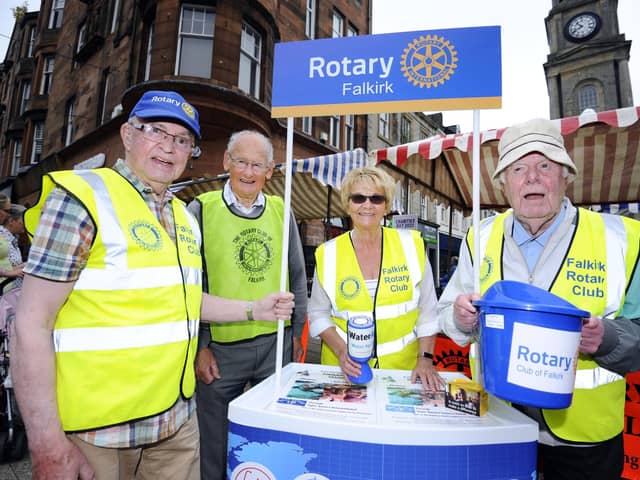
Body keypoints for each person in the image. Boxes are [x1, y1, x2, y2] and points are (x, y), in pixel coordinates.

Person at [10, 90, 294, 480]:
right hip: (98, 432)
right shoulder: (82, 197)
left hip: (175, 424)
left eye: (181, 140)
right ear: (127, 135)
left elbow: (186, 300)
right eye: (155, 131)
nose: (168, 147)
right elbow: (30, 323)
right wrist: (45, 442)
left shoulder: (182, 215)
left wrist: (254, 309)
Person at [438, 117, 640, 480]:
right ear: (503, 185)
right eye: (518, 168)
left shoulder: (623, 239)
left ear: (566, 176)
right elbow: (447, 314)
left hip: (583, 442)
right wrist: (458, 318)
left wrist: (606, 338)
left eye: (544, 166)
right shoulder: (479, 238)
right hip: (498, 425)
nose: (531, 178)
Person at [188, 129, 308, 480]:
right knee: (213, 443)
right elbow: (194, 285)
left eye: (258, 165)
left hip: (274, 345)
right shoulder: (201, 208)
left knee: (269, 438)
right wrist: (200, 346)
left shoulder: (280, 209)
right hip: (221, 351)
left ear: (270, 170)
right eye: (241, 162)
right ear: (227, 162)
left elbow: (296, 275)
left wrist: (297, 335)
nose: (249, 172)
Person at [308, 166, 444, 391]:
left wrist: (426, 359)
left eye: (376, 198)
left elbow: (428, 311)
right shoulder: (327, 253)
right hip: (344, 372)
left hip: (403, 373)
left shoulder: (411, 245)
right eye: (359, 197)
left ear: (387, 205)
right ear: (348, 203)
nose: (367, 205)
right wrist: (342, 352)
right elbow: (318, 314)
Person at [0, 204, 27, 291]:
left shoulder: (13, 238)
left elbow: (9, 266)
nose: (26, 224)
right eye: (23, 220)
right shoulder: (2, 237)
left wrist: (21, 266)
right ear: (11, 221)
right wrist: (8, 273)